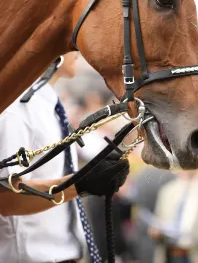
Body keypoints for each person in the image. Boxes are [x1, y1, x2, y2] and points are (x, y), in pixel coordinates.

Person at [0, 53, 129, 263]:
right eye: (69, 44)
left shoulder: (48, 102)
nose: (78, 52)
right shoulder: (15, 108)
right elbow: (5, 198)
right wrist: (79, 184)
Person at [149, 170, 198, 263]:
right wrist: (155, 230)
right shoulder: (167, 190)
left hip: (197, 254)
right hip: (170, 253)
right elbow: (158, 220)